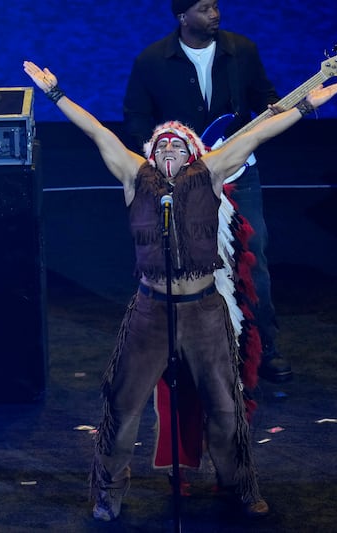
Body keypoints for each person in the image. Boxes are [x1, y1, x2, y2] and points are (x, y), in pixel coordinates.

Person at [22, 60, 337, 521]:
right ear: (151, 153)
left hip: (203, 310)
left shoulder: (208, 174)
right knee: (122, 402)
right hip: (151, 309)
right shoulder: (136, 177)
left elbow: (256, 136)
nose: (169, 147)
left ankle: (238, 484)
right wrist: (55, 95)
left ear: (192, 153)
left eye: (178, 143)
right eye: (161, 143)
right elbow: (96, 131)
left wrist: (306, 108)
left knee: (224, 405)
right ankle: (109, 489)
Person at [122, 0, 291, 383]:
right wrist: (162, 161)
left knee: (253, 255)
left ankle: (265, 346)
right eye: (204, 8)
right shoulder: (151, 61)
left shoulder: (241, 50)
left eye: (215, 6)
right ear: (182, 17)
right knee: (185, 261)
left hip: (238, 172)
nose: (215, 13)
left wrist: (275, 110)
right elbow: (136, 117)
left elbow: (264, 95)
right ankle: (184, 351)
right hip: (181, 181)